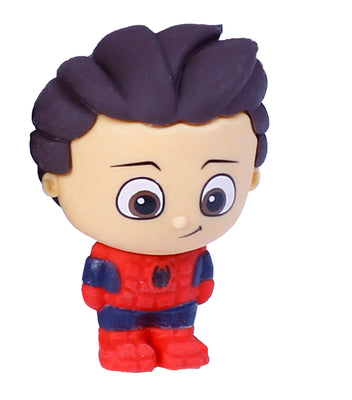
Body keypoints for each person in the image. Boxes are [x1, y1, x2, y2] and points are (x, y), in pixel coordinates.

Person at [30, 24, 269, 372]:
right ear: (55, 183)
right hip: (121, 310)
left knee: (178, 326)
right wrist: (94, 292)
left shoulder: (195, 253)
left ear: (251, 177)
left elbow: (203, 278)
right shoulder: (109, 257)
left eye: (213, 198)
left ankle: (176, 339)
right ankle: (119, 343)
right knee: (120, 329)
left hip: (179, 306)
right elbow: (95, 285)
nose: (181, 221)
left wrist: (204, 283)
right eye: (142, 201)